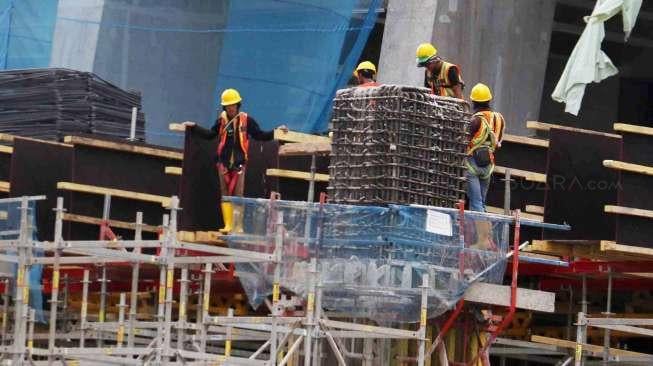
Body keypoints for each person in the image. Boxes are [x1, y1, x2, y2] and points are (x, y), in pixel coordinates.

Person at [182, 88, 288, 233]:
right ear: (224, 107)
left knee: (238, 195)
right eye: (228, 105)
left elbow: (260, 135)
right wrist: (194, 127)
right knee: (225, 195)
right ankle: (228, 224)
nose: (231, 108)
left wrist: (277, 130)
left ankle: (238, 226)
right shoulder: (221, 121)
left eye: (233, 105)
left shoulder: (247, 120)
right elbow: (210, 134)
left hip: (239, 165)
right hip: (223, 164)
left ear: (238, 104)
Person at [465, 83, 503, 212]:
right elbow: (498, 142)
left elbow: (464, 141)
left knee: (476, 203)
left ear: (474, 102)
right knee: (481, 203)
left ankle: (478, 232)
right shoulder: (499, 118)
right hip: (488, 164)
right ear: (489, 100)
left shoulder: (476, 120)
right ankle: (481, 232)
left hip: (472, 164)